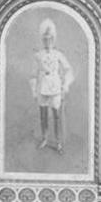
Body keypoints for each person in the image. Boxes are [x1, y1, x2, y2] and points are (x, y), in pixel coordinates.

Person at [31, 18, 74, 154]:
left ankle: (59, 142)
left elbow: (68, 70)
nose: (47, 42)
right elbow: (33, 75)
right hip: (42, 87)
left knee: (57, 116)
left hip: (55, 87)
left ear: (53, 40)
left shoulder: (58, 54)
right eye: (45, 39)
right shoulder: (38, 55)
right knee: (43, 115)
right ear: (42, 40)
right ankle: (44, 138)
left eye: (50, 39)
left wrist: (65, 85)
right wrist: (34, 91)